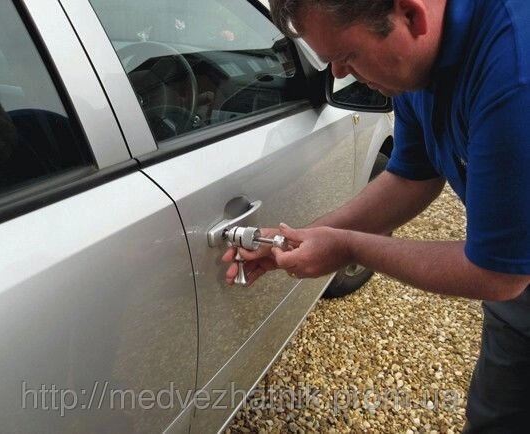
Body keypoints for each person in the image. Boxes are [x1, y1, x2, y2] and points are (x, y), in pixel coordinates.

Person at [223, 0, 530, 431]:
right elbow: (412, 177)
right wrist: (303, 237)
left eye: (347, 56)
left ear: (410, 15)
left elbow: (500, 275)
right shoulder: (413, 66)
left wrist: (348, 248)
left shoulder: (515, 72)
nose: (339, 75)